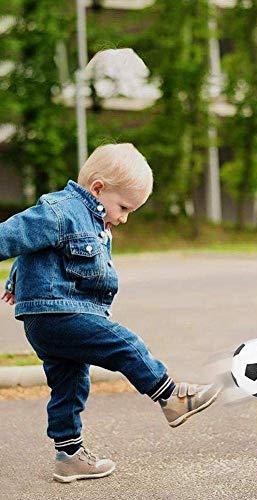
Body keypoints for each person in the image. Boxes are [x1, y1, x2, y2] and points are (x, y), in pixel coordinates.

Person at [0, 143, 220, 483]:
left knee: (70, 384)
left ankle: (69, 456)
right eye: (123, 207)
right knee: (124, 343)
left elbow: (37, 251)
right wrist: (19, 281)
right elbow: (16, 235)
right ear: (98, 188)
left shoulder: (94, 221)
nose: (124, 217)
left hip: (54, 318)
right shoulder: (62, 210)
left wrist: (16, 279)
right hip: (57, 314)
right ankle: (171, 397)